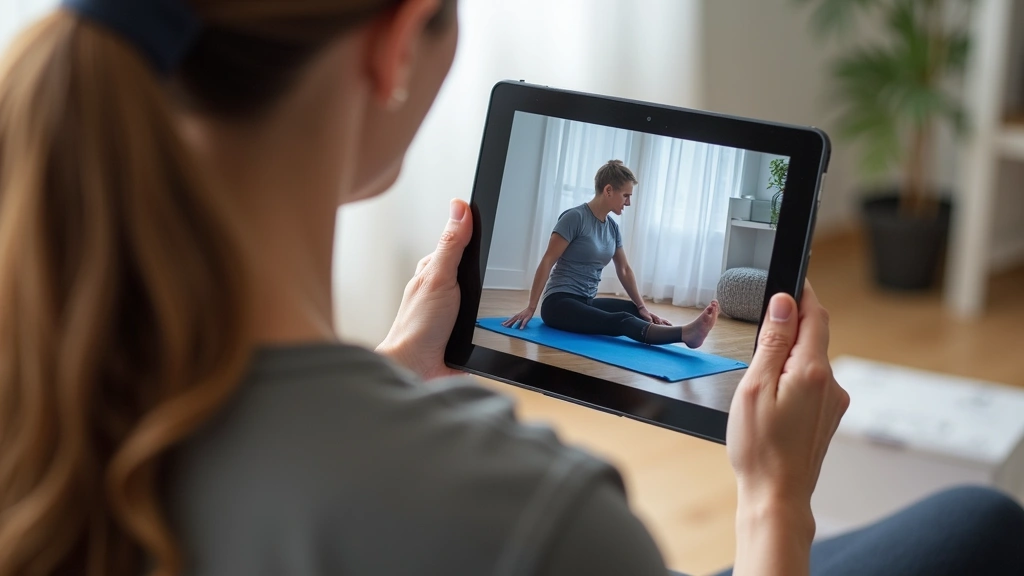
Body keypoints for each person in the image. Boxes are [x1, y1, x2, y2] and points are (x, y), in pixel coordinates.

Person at [0, 1, 1021, 576]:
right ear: (395, 47)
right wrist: (775, 502)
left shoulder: (39, 378)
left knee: (634, 314)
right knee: (981, 530)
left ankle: (670, 335)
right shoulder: (537, 520)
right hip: (562, 318)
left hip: (587, 317)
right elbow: (546, 272)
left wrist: (395, 372)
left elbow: (623, 274)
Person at [504, 160, 721, 347]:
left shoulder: (612, 228)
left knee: (633, 310)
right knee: (622, 320)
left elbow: (624, 269)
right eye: (625, 196)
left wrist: (642, 307)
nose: (628, 202)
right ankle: (686, 334)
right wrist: (531, 307)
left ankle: (667, 329)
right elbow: (547, 261)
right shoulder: (574, 218)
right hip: (558, 304)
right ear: (608, 190)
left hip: (586, 302)